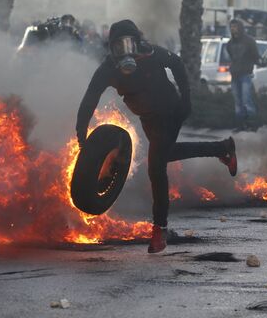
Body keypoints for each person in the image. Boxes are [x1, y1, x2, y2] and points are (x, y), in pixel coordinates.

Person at [76, 20, 237, 254]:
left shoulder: (151, 53)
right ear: (111, 49)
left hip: (171, 110)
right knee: (166, 153)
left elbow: (177, 64)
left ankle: (159, 228)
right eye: (118, 47)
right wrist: (81, 132)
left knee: (156, 166)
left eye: (129, 43)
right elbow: (90, 98)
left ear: (138, 41)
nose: (125, 51)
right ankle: (223, 148)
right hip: (148, 118)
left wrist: (186, 99)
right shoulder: (108, 69)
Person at [226, 19, 260, 131]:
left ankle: (253, 124)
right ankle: (240, 125)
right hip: (235, 75)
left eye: (235, 26)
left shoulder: (249, 41)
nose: (233, 29)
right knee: (237, 101)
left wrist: (249, 66)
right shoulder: (230, 44)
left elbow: (255, 56)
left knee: (246, 100)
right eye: (231, 26)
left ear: (239, 27)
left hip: (245, 74)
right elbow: (231, 56)